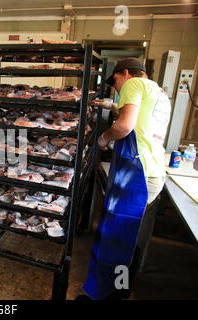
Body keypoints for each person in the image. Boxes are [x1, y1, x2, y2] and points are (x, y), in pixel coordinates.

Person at [78, 57, 171, 300]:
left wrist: (104, 138)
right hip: (153, 171)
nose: (117, 87)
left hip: (138, 173)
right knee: (129, 238)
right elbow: (141, 118)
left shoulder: (133, 85)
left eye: (116, 82)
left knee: (117, 236)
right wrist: (111, 105)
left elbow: (126, 126)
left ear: (126, 73)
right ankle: (120, 291)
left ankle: (107, 295)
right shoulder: (159, 91)